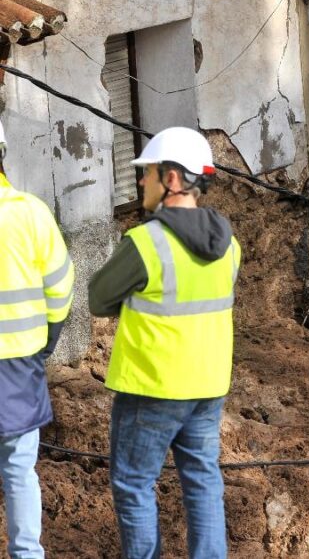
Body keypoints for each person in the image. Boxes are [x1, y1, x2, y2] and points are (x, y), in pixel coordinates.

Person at [88, 127, 241, 559]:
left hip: (153, 387)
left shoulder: (145, 242)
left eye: (148, 173)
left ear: (172, 178)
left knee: (134, 483)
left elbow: (99, 299)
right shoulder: (230, 245)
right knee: (203, 478)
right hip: (208, 387)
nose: (142, 182)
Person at [0, 119, 75, 559]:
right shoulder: (30, 212)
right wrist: (48, 341)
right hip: (19, 367)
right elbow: (61, 288)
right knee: (18, 469)